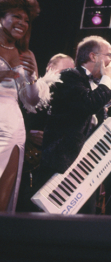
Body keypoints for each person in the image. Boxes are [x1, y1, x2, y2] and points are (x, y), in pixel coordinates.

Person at [38, 35, 111, 214]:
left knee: (83, 220)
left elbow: (90, 116)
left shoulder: (91, 83)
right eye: (109, 55)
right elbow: (87, 104)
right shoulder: (69, 76)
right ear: (93, 56)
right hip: (62, 162)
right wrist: (107, 80)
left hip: (84, 165)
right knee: (54, 221)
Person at [0, 0, 52, 212]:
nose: (22, 23)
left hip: (12, 125)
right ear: (2, 17)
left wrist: (32, 76)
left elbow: (31, 100)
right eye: (16, 16)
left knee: (4, 189)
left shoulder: (25, 53)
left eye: (26, 20)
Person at [16, 53, 74, 212]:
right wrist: (27, 135)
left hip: (49, 165)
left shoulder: (68, 97)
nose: (69, 76)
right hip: (24, 159)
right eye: (66, 70)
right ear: (50, 68)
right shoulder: (29, 88)